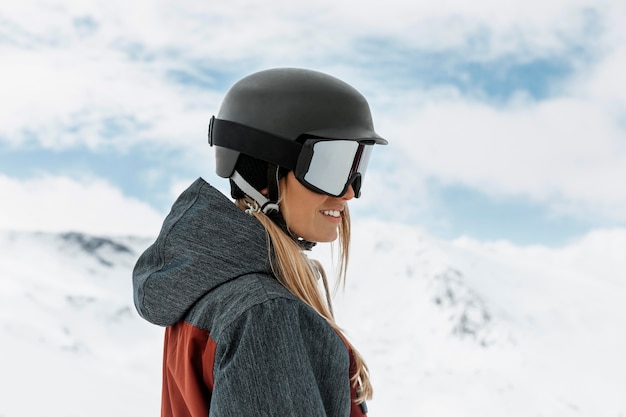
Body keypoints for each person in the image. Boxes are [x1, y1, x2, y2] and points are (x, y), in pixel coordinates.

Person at [132, 67, 388, 417]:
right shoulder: (264, 314)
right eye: (332, 166)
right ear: (264, 175)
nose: (349, 192)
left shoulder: (207, 292)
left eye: (357, 167)